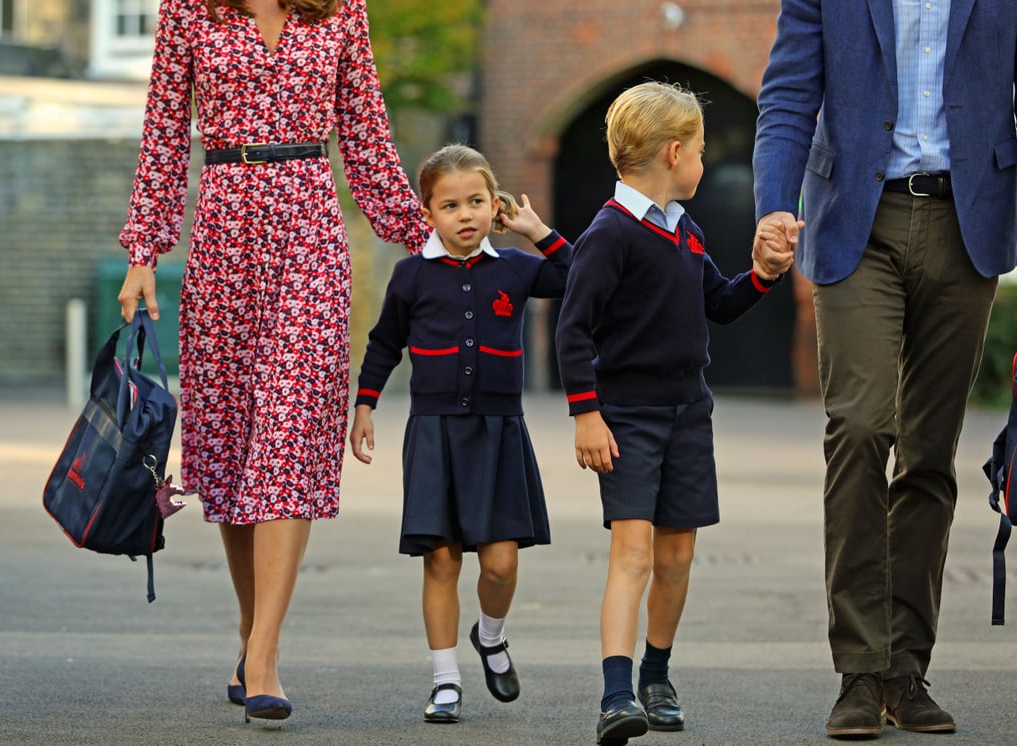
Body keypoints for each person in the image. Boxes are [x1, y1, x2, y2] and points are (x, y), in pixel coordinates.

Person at [115, 0, 431, 723]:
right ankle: (251, 628)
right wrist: (143, 250)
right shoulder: (189, 12)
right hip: (223, 231)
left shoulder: (340, 10)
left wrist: (430, 239)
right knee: (231, 443)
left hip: (311, 233)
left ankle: (264, 653)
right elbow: (163, 136)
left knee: (288, 433)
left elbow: (367, 135)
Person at [753, 1, 1017, 738]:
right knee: (862, 426)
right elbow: (788, 95)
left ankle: (907, 669)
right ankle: (860, 672)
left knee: (931, 453)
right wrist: (773, 206)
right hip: (854, 223)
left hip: (969, 222)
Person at [554, 81, 797, 746]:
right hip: (627, 417)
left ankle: (655, 675)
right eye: (697, 150)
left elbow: (718, 301)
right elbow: (573, 331)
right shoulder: (609, 234)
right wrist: (586, 415)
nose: (702, 160)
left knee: (678, 555)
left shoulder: (684, 229)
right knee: (632, 553)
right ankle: (615, 695)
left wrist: (764, 275)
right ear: (672, 153)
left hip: (690, 413)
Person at [348, 143, 572, 724]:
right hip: (434, 433)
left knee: (499, 564)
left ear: (493, 204)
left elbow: (579, 277)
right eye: (450, 205)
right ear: (428, 213)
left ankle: (491, 637)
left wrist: (537, 230)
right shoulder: (411, 274)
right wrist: (364, 407)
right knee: (442, 561)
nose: (465, 215)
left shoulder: (517, 268)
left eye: (476, 201)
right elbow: (383, 344)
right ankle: (445, 681)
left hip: (500, 432)